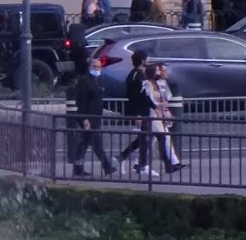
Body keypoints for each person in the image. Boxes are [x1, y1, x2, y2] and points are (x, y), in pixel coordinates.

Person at [120, 45, 182, 173]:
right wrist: (139, 114)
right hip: (144, 112)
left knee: (149, 139)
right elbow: (137, 97)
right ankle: (143, 165)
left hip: (148, 111)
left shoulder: (142, 75)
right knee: (149, 139)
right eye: (146, 58)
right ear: (142, 60)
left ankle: (133, 161)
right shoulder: (136, 76)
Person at [65, 53, 113, 175]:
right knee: (96, 143)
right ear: (89, 67)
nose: (97, 69)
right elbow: (81, 102)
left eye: (99, 67)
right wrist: (84, 119)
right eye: (95, 66)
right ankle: (107, 166)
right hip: (88, 118)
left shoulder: (98, 81)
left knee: (84, 143)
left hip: (96, 117)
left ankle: (78, 168)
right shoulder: (84, 81)